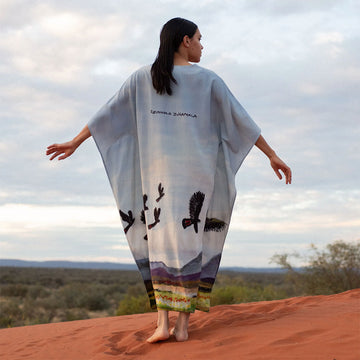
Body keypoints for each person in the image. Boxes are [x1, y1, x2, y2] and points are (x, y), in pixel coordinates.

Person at [46, 17, 292, 343]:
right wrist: (271, 153)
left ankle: (170, 324)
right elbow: (108, 112)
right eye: (200, 39)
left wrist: (76, 141)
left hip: (164, 178)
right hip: (186, 177)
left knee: (164, 243)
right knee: (180, 244)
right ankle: (176, 326)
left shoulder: (199, 81)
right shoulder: (151, 79)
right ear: (184, 41)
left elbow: (239, 119)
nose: (203, 45)